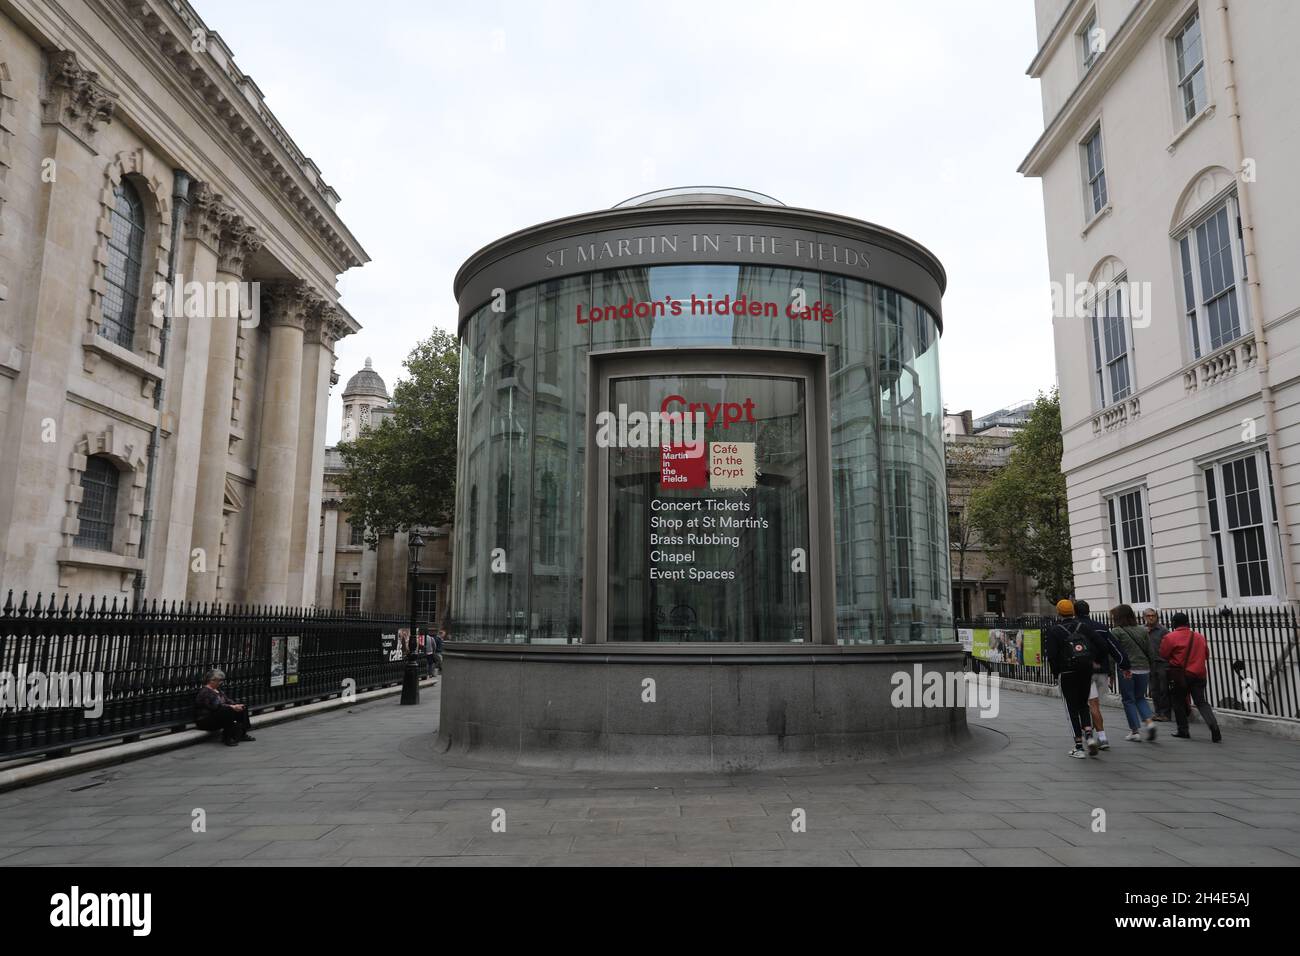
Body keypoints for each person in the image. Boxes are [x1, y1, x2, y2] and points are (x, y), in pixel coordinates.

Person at [1044, 599, 1100, 758]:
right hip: (1085, 671)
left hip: (1067, 673)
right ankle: (1089, 736)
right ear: (1073, 612)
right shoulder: (1083, 627)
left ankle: (1078, 746)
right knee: (1083, 704)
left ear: (1059, 612)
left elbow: (1052, 656)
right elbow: (1101, 645)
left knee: (1071, 708)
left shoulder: (1054, 631)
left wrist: (1056, 674)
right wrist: (1092, 660)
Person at [1074, 599, 1129, 750]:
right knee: (1095, 704)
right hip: (1102, 672)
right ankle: (1097, 735)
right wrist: (1124, 664)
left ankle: (1099, 738)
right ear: (1088, 611)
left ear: (1075, 612)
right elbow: (1114, 647)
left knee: (1090, 705)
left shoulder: (1073, 628)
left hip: (1084, 672)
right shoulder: (1101, 627)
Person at [1160, 612, 1222, 742]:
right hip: (1199, 674)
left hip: (1181, 675)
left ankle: (1183, 730)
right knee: (1201, 701)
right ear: (1187, 622)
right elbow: (1206, 654)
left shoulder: (1170, 637)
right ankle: (1214, 726)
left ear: (1174, 623)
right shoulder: (1199, 636)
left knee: (1178, 701)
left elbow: (1163, 654)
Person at [1109, 604, 1157, 742]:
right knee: (1140, 697)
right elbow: (1150, 651)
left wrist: (1110, 673)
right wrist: (1151, 667)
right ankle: (1149, 722)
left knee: (1128, 699)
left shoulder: (1116, 631)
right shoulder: (1142, 630)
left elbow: (1113, 654)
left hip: (1127, 669)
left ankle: (1135, 731)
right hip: (1144, 668)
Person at [194, 669, 254, 747]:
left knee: (243, 707)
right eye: (219, 681)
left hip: (218, 717)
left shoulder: (218, 690)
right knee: (227, 710)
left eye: (221, 680)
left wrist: (236, 705)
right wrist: (232, 707)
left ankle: (242, 734)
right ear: (211, 680)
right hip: (205, 721)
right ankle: (227, 738)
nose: (221, 682)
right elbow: (215, 706)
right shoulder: (205, 692)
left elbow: (228, 700)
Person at [1143, 607, 1172, 721]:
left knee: (1164, 689)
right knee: (1154, 689)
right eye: (1148, 616)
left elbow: (1169, 645)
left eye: (1153, 615)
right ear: (1144, 617)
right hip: (1149, 663)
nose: (1151, 618)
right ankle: (1157, 712)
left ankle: (1166, 714)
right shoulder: (1142, 630)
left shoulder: (1163, 630)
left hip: (1162, 663)